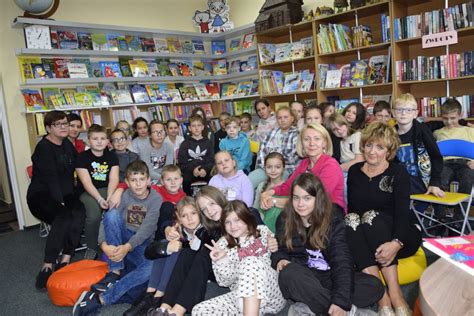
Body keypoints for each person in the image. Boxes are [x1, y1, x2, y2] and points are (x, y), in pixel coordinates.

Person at [272, 173, 384, 315]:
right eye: (296, 198)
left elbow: (342, 261)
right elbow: (279, 249)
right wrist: (279, 259)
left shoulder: (333, 218)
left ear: (317, 199)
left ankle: (313, 307)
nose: (300, 204)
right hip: (306, 277)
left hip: (330, 276)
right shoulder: (284, 219)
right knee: (288, 274)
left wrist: (340, 302)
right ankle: (349, 312)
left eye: (307, 198)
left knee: (375, 286)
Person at [345, 122, 421, 316]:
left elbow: (403, 213)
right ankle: (382, 297)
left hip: (400, 236)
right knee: (351, 219)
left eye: (380, 147)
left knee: (372, 217)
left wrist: (396, 243)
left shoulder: (398, 172)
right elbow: (354, 211)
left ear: (389, 150)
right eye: (369, 145)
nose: (372, 151)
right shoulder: (354, 172)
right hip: (369, 242)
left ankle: (396, 296)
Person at [155, 186, 265, 316]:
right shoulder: (211, 229)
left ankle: (177, 312)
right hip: (224, 271)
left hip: (249, 272)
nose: (210, 211)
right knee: (187, 254)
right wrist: (168, 227)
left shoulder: (246, 212)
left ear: (219, 199)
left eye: (212, 204)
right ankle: (165, 307)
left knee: (204, 254)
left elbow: (263, 239)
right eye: (204, 209)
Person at [72, 161, 162, 316]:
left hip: (141, 243)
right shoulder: (124, 196)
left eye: (142, 179)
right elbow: (106, 220)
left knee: (152, 268)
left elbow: (147, 229)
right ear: (127, 182)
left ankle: (101, 299)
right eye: (133, 180)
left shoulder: (156, 198)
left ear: (148, 180)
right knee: (112, 214)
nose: (138, 184)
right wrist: (104, 244)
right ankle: (116, 270)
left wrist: (127, 247)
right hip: (121, 237)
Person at [193, 200, 286, 315]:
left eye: (237, 220)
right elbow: (225, 283)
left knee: (250, 261)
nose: (233, 226)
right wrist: (222, 260)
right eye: (227, 222)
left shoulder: (262, 231)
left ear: (246, 218)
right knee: (199, 311)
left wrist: (275, 245)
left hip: (273, 293)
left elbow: (282, 253)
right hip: (242, 298)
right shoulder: (221, 245)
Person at [27, 111, 85, 290]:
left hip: (65, 194)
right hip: (41, 196)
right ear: (48, 128)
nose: (64, 127)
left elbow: (79, 165)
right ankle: (48, 264)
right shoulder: (43, 147)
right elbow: (51, 178)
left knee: (79, 212)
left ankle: (66, 258)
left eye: (65, 123)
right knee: (64, 216)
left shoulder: (67, 144)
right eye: (58, 124)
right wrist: (61, 202)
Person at [126, 197, 204, 315]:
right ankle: (150, 294)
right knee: (166, 245)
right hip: (178, 268)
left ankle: (158, 296)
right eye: (184, 215)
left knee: (177, 250)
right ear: (179, 218)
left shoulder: (204, 230)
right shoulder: (178, 231)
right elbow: (149, 253)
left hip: (196, 272)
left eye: (193, 213)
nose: (190, 218)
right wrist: (168, 246)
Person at [261, 123, 345, 212]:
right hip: (304, 209)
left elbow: (317, 198)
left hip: (328, 211)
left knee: (279, 213)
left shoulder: (330, 165)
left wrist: (275, 201)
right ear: (302, 143)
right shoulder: (304, 163)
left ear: (324, 143)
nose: (311, 143)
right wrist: (269, 192)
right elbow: (289, 186)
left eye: (317, 139)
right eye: (306, 139)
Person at [76, 124, 120, 259]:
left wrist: (110, 195)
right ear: (89, 141)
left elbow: (114, 178)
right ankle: (92, 247)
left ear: (107, 141)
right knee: (94, 216)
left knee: (116, 210)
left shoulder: (112, 156)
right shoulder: (82, 157)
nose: (99, 141)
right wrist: (100, 199)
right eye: (95, 139)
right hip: (89, 192)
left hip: (108, 189)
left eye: (102, 138)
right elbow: (86, 182)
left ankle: (116, 244)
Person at [393, 93, 444, 199]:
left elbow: (436, 157)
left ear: (415, 113)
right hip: (398, 178)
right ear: (393, 112)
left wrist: (435, 182)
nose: (403, 113)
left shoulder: (422, 131)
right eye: (399, 109)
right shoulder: (390, 133)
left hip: (422, 180)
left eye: (408, 110)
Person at [250, 106, 300, 188]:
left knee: (269, 187)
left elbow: (292, 158)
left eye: (285, 117)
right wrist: (267, 167)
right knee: (248, 181)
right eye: (279, 118)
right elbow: (262, 151)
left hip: (285, 170)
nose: (282, 120)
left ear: (292, 118)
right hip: (266, 168)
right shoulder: (271, 133)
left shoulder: (296, 134)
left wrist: (276, 167)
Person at [434, 98, 474, 198]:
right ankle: (441, 212)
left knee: (468, 179)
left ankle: (460, 213)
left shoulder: (469, 131)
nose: (449, 122)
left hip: (466, 164)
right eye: (445, 118)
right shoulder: (437, 133)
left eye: (453, 118)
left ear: (460, 115)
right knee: (441, 180)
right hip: (445, 163)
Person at [177, 115, 214, 195]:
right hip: (190, 171)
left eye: (199, 125)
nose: (196, 128)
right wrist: (193, 169)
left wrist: (205, 169)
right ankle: (188, 200)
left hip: (205, 171)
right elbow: (182, 163)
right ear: (189, 128)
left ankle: (210, 198)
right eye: (193, 126)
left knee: (213, 179)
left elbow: (211, 160)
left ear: (203, 127)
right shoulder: (185, 144)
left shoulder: (208, 143)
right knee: (185, 180)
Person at [253, 152, 285, 232]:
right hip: (262, 225)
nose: (273, 170)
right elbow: (255, 209)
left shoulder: (287, 187)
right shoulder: (261, 186)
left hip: (280, 225)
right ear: (265, 168)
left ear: (283, 168)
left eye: (277, 167)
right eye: (269, 167)